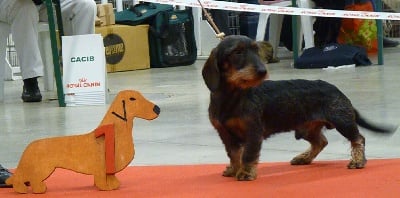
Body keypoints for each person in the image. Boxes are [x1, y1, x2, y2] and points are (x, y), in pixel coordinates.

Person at [0, 0, 45, 102]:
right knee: (25, 8)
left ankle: (80, 78)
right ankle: (30, 80)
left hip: (45, 5)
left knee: (85, 6)